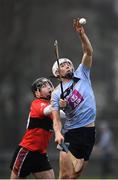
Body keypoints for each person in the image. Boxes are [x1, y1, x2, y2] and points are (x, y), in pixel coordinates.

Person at [51, 18, 96, 179]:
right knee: (64, 176)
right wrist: (57, 133)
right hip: (71, 133)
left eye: (69, 64)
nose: (68, 66)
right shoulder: (56, 94)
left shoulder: (82, 73)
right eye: (63, 65)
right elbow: (56, 119)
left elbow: (88, 52)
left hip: (90, 131)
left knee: (75, 176)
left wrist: (81, 35)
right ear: (57, 74)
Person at [10, 77, 55, 179]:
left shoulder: (52, 106)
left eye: (49, 85)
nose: (48, 87)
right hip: (27, 151)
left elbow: (63, 114)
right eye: (44, 86)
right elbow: (47, 111)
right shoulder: (37, 103)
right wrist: (57, 101)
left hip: (40, 153)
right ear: (37, 94)